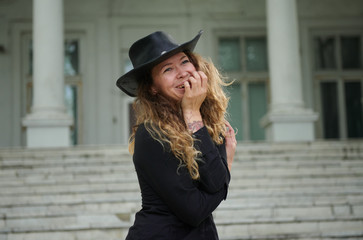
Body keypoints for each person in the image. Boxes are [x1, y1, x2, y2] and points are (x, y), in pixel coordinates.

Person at [116, 30, 237, 240]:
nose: (182, 73)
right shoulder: (151, 134)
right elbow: (195, 211)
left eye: (184, 61)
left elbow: (216, 183)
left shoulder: (207, 124)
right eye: (168, 69)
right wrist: (226, 164)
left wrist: (194, 116)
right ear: (153, 87)